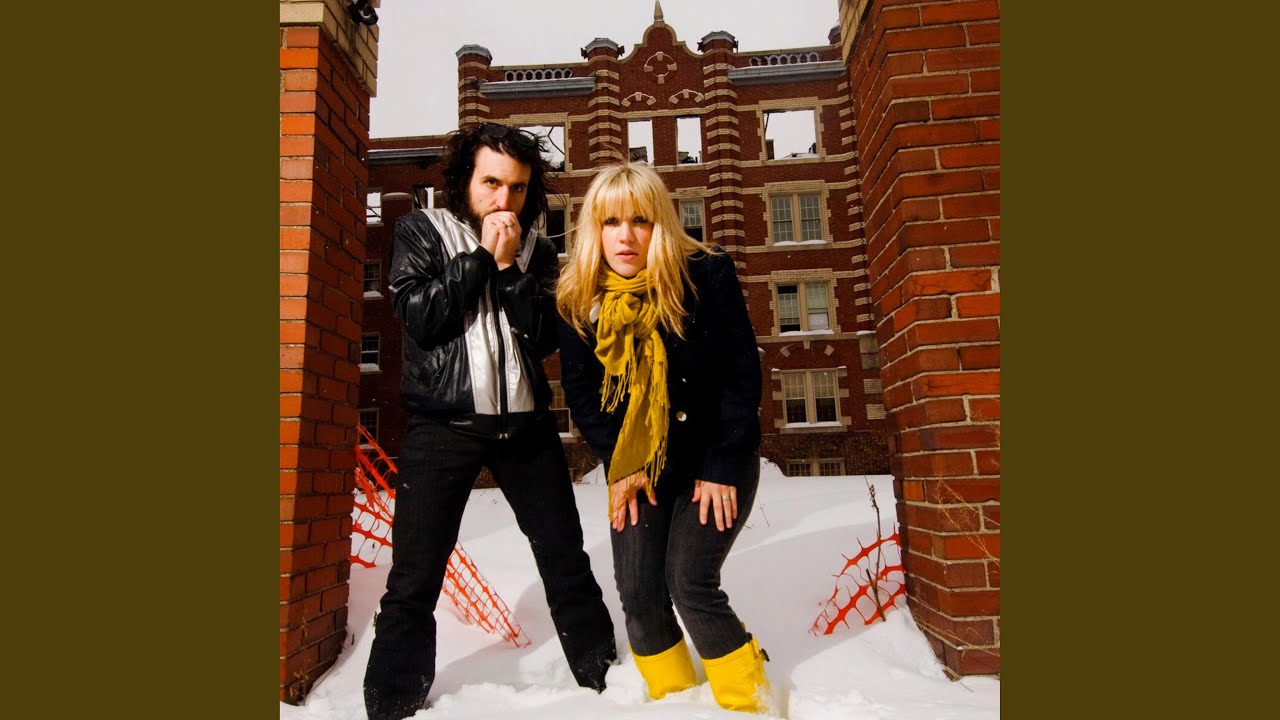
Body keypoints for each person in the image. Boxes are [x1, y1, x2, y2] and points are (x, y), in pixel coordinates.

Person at [363, 123, 617, 720]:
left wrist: (508, 271)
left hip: (526, 429)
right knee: (414, 575)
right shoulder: (422, 230)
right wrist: (481, 258)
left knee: (566, 559)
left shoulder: (537, 249)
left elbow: (544, 335)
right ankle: (392, 703)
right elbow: (421, 318)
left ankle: (607, 681)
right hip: (442, 426)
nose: (506, 199)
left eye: (518, 188)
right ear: (465, 180)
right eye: (493, 183)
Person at [555, 163, 773, 714]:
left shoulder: (705, 274)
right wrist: (621, 463)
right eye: (610, 222)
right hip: (638, 464)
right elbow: (583, 395)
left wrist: (722, 463)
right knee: (638, 590)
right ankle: (676, 703)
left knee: (689, 582)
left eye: (640, 220)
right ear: (594, 229)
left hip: (714, 455)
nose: (625, 236)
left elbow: (740, 373)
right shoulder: (578, 298)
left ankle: (750, 702)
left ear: (662, 224)